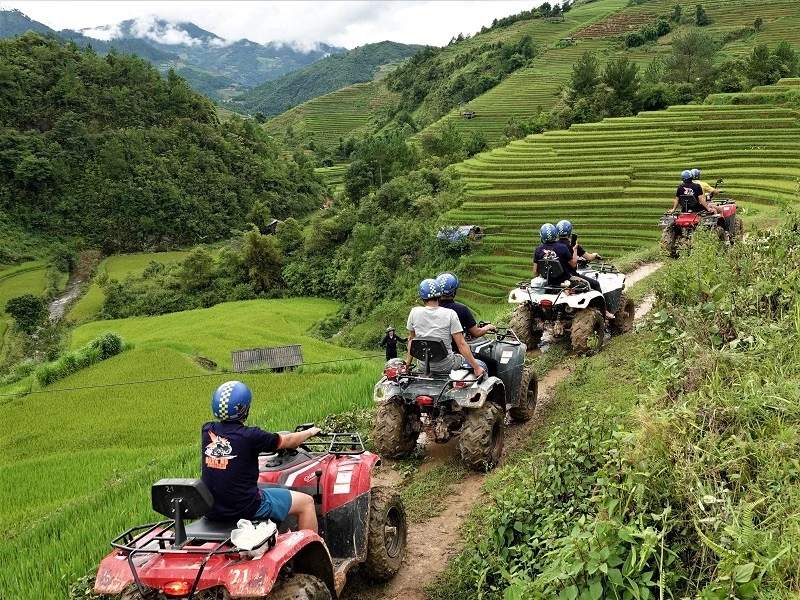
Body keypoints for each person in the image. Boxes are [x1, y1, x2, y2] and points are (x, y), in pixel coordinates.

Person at [202, 380, 320, 532]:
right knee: (306, 503)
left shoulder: (207, 430)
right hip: (245, 508)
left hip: (213, 509)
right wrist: (310, 432)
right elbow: (289, 441)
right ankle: (309, 555)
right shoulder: (252, 436)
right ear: (245, 409)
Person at [405, 278, 486, 378]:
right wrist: (476, 367)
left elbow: (412, 340)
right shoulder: (450, 314)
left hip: (423, 365)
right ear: (439, 295)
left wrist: (407, 364)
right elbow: (461, 344)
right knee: (482, 365)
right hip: (447, 365)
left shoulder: (414, 312)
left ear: (422, 296)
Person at [435, 272, 496, 340]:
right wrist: (487, 327)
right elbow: (476, 333)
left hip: (433, 348)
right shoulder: (462, 310)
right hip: (454, 349)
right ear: (454, 291)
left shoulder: (430, 310)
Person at [555, 220, 603, 293]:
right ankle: (604, 304)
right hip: (570, 276)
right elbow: (589, 257)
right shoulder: (573, 245)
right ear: (569, 231)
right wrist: (595, 254)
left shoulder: (555, 246)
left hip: (558, 277)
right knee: (596, 284)